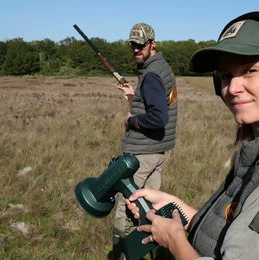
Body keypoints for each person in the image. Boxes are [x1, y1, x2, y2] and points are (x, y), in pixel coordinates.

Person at [125, 11, 259, 259]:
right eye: (226, 76)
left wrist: (174, 240)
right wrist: (177, 209)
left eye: (250, 70)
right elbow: (235, 233)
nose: (232, 88)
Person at [109, 23, 178, 260]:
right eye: (133, 45)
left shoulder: (151, 75)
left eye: (140, 45)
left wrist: (131, 122)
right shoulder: (161, 68)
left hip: (142, 155)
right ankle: (153, 252)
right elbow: (154, 105)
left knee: (126, 210)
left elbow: (158, 117)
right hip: (155, 152)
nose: (136, 49)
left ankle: (122, 254)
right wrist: (133, 98)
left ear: (152, 44)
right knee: (150, 211)